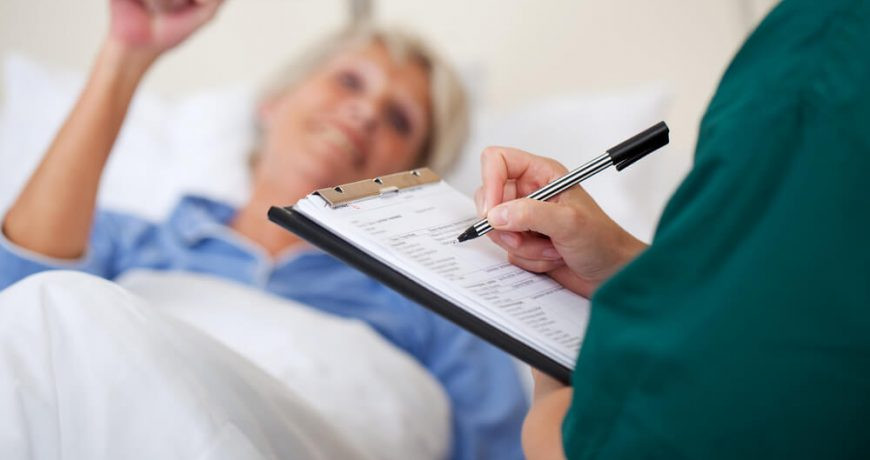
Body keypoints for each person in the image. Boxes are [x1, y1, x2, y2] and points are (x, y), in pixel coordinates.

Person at [0, 1, 527, 459]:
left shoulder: (435, 306)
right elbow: (20, 304)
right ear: (273, 103)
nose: (366, 112)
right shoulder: (130, 243)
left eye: (399, 120)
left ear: (409, 176)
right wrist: (127, 52)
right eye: (349, 81)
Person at [474, 0, 870, 458]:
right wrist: (625, 259)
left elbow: (631, 439)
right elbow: (797, 295)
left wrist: (549, 377)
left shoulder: (820, 60)